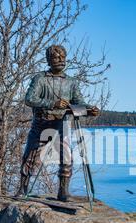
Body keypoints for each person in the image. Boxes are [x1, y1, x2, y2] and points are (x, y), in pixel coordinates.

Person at [17, 45, 100, 201]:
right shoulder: (40, 79)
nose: (61, 59)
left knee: (67, 157)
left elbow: (78, 103)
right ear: (49, 60)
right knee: (30, 156)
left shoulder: (71, 82)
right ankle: (22, 189)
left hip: (62, 124)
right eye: (56, 57)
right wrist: (52, 103)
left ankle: (63, 192)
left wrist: (89, 109)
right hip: (41, 123)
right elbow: (29, 99)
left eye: (63, 56)